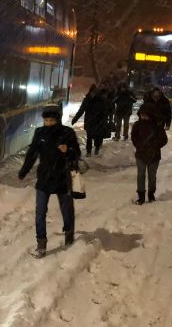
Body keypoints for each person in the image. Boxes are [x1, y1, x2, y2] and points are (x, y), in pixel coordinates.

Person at [19, 104, 82, 258]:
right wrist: (24, 170)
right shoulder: (40, 133)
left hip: (62, 178)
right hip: (44, 178)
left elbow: (77, 153)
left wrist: (68, 150)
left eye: (51, 120)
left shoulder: (67, 133)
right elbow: (32, 154)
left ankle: (69, 233)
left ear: (57, 119)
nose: (48, 123)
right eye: (46, 120)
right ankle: (41, 244)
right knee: (40, 212)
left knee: (66, 209)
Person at [131, 104, 168, 204]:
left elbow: (164, 140)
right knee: (141, 175)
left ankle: (151, 194)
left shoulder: (157, 126)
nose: (143, 117)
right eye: (142, 115)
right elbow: (133, 137)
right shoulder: (137, 125)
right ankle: (141, 196)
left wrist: (155, 146)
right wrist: (139, 145)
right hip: (141, 154)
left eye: (145, 115)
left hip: (154, 155)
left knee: (152, 176)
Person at [71, 84, 108, 156]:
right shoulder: (87, 99)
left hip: (98, 122)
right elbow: (81, 110)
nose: (93, 94)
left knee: (97, 136)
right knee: (89, 137)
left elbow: (105, 111)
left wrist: (104, 121)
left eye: (94, 92)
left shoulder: (101, 100)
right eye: (92, 92)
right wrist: (75, 119)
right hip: (89, 121)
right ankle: (88, 151)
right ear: (90, 91)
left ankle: (96, 148)